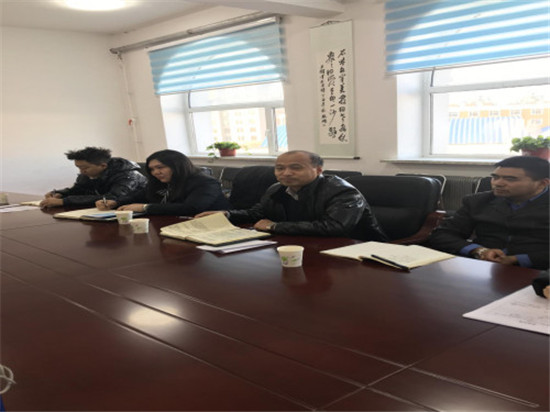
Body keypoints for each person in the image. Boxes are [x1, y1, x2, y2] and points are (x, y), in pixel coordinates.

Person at [196, 150, 387, 239]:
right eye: (280, 168)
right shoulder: (276, 188)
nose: (286, 173)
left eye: (296, 168)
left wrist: (275, 226)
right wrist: (227, 214)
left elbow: (335, 227)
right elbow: (257, 214)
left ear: (318, 170)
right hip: (307, 245)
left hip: (357, 249)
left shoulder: (342, 191)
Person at [429, 156, 549, 270]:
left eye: (510, 179)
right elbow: (442, 234)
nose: (498, 183)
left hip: (539, 270)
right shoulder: (478, 201)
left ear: (543, 183)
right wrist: (478, 250)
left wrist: (519, 259)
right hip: (482, 266)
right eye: (495, 177)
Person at [97, 149, 229, 215]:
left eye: (160, 167)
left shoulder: (205, 182)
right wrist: (116, 202)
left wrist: (145, 207)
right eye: (152, 169)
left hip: (209, 226)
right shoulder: (159, 181)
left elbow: (191, 208)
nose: (155, 172)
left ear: (177, 166)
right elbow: (139, 196)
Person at [40, 147, 147, 208]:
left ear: (103, 166)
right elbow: (79, 189)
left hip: (134, 211)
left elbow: (113, 197)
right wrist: (61, 193)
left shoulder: (128, 175)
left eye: (85, 168)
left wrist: (65, 201)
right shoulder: (87, 174)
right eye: (78, 167)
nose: (81, 171)